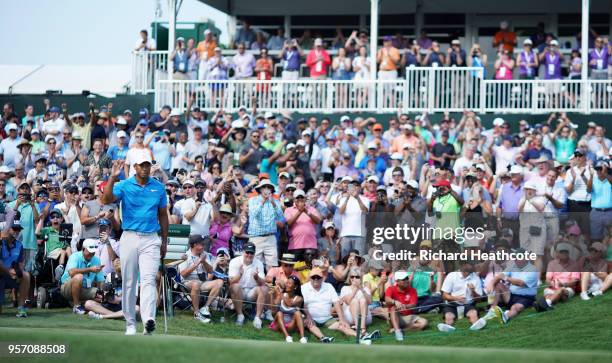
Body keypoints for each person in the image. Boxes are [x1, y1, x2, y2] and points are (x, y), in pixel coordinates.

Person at [102, 155, 169, 336]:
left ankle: (148, 320)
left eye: (148, 165)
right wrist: (112, 178)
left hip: (151, 239)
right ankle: (130, 324)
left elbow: (163, 215)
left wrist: (164, 240)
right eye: (142, 165)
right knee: (130, 282)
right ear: (134, 167)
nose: (146, 168)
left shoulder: (159, 187)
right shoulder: (124, 185)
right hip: (130, 237)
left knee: (148, 280)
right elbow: (105, 199)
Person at [487, 248, 539, 324]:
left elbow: (521, 283)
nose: (515, 260)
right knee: (498, 285)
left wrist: (505, 278)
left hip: (526, 297)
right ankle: (492, 310)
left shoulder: (533, 269)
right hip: (511, 295)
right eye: (515, 257)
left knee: (516, 307)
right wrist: (491, 283)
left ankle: (506, 316)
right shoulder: (513, 266)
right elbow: (499, 276)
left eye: (517, 258)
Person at [179, 235, 224, 323]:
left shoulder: (205, 255)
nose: (203, 246)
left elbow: (211, 271)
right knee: (196, 284)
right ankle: (197, 313)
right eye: (202, 244)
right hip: (187, 282)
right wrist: (197, 263)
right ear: (195, 245)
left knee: (219, 282)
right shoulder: (185, 255)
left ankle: (205, 307)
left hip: (202, 281)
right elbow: (183, 274)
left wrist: (203, 261)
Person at [228, 242, 270, 328]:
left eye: (252, 253)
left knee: (264, 288)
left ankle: (257, 318)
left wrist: (256, 277)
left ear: (254, 253)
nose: (249, 255)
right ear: (243, 252)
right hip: (239, 291)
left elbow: (263, 283)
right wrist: (239, 274)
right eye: (247, 252)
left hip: (252, 292)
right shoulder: (234, 261)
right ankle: (240, 315)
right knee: (235, 286)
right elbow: (231, 282)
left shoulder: (259, 263)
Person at [60, 239, 105, 314]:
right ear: (83, 249)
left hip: (85, 289)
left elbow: (101, 280)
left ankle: (80, 303)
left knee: (99, 294)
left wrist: (103, 293)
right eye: (90, 251)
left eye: (93, 252)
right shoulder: (75, 256)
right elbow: (71, 272)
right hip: (67, 288)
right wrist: (90, 269)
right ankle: (77, 306)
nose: (92, 253)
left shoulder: (96, 260)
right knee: (78, 277)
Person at [438, 261, 485, 332]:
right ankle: (448, 326)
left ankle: (476, 325)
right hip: (452, 304)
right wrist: (455, 298)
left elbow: (478, 300)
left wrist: (473, 291)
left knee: (473, 313)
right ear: (461, 266)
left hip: (468, 304)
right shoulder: (452, 275)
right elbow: (444, 296)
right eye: (465, 265)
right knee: (449, 315)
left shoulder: (475, 277)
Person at [247, 179, 284, 268]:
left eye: (269, 187)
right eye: (264, 187)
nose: (267, 189)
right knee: (255, 266)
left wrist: (273, 203)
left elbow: (280, 217)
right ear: (260, 189)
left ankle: (271, 281)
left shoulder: (275, 202)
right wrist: (263, 201)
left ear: (271, 190)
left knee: (272, 267)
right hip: (256, 238)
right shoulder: (253, 200)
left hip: (270, 237)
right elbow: (254, 214)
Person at [385, 270, 428, 341]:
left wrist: (404, 306)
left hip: (409, 316)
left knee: (424, 323)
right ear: (397, 281)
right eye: (403, 279)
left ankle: (401, 330)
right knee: (393, 308)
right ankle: (398, 332)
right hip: (396, 317)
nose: (406, 281)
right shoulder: (391, 289)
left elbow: (413, 305)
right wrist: (395, 302)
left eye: (407, 278)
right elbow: (387, 299)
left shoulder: (413, 290)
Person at [0, 220, 31, 317]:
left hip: (11, 275)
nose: (17, 232)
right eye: (14, 229)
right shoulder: (0, 242)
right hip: (2, 273)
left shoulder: (19, 245)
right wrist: (8, 270)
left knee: (26, 275)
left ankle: (21, 308)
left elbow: (20, 262)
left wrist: (18, 273)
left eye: (18, 230)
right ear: (7, 229)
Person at [270, 275, 307, 343]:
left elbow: (290, 304)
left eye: (289, 283)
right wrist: (272, 295)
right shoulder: (282, 295)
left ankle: (302, 338)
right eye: (286, 282)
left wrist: (280, 293)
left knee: (297, 313)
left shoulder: (299, 299)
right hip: (278, 325)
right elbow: (273, 310)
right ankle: (287, 336)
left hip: (290, 326)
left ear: (295, 287)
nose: (286, 285)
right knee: (279, 313)